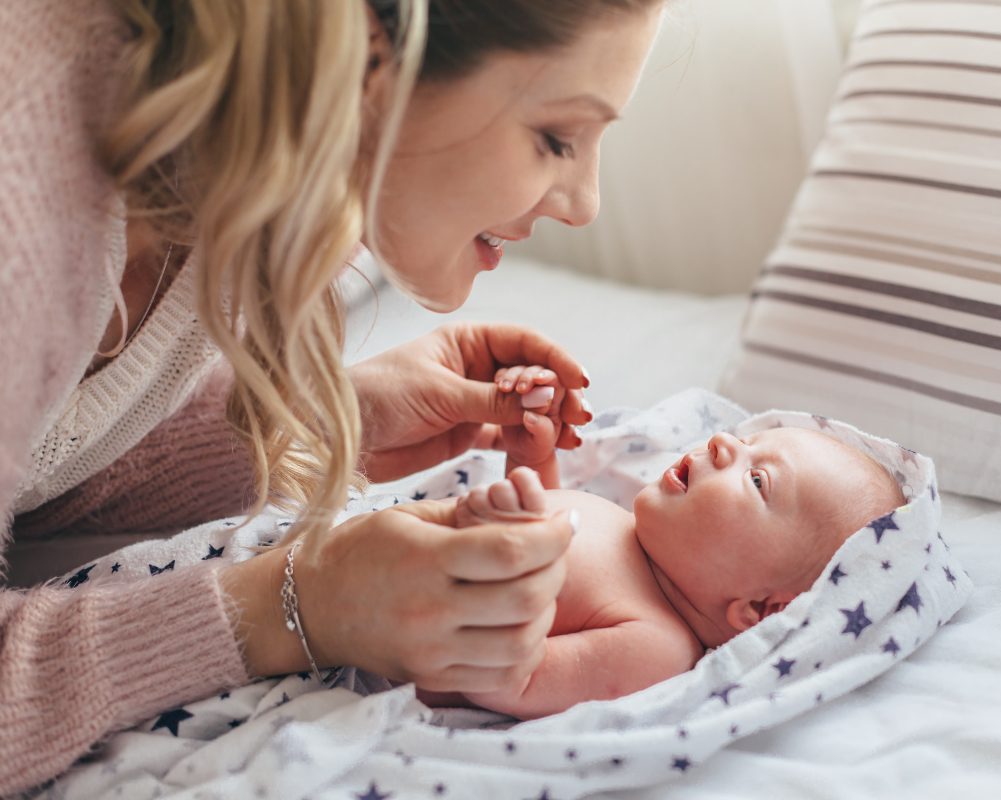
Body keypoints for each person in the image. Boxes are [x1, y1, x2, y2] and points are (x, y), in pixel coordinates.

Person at [0, 0, 665, 793]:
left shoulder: (235, 167)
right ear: (372, 61)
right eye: (557, 138)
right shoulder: (23, 191)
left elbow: (45, 455)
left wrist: (320, 422)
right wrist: (295, 609)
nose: (583, 201)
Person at [415, 370, 906, 720]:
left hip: (391, 625)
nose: (723, 444)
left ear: (759, 608)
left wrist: (498, 579)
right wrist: (530, 462)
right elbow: (546, 518)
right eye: (748, 444)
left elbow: (517, 681)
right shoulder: (627, 529)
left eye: (757, 479)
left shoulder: (657, 646)